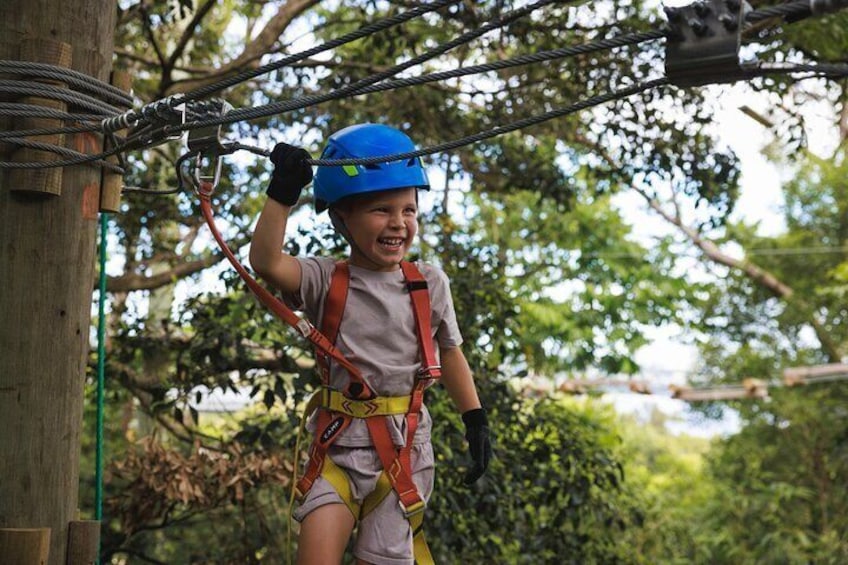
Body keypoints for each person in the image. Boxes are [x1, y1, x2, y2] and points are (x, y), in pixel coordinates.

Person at [249, 123, 492, 565]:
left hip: (404, 451)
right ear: (342, 217)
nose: (399, 222)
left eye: (409, 210)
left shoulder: (429, 283)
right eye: (382, 210)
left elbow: (449, 351)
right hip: (338, 446)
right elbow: (266, 262)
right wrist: (282, 193)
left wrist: (474, 419)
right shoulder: (325, 279)